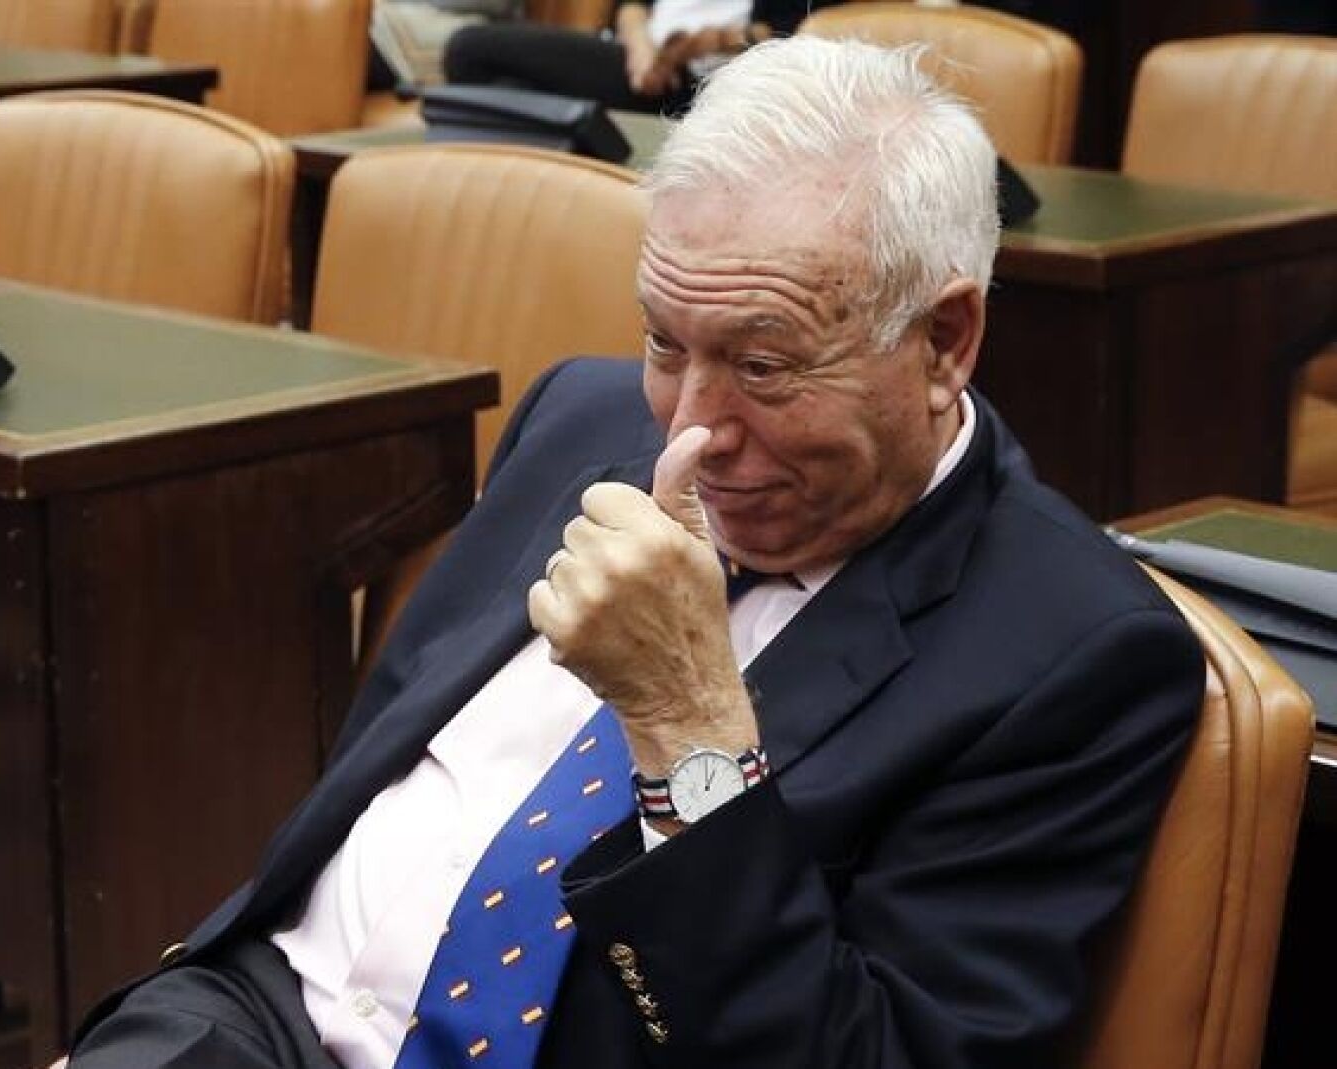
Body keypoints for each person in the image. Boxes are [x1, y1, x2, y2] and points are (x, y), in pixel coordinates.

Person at [64, 35, 1203, 1069]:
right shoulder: (581, 415)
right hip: (259, 1014)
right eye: (665, 341)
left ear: (944, 341)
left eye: (763, 365)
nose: (689, 432)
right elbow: (371, 780)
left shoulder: (1070, 651)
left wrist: (687, 723)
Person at [443, 1, 808, 113]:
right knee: (481, 67)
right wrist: (640, 49)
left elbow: (791, 34)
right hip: (639, 61)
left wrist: (709, 42)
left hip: (700, 82)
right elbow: (631, 7)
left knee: (470, 49)